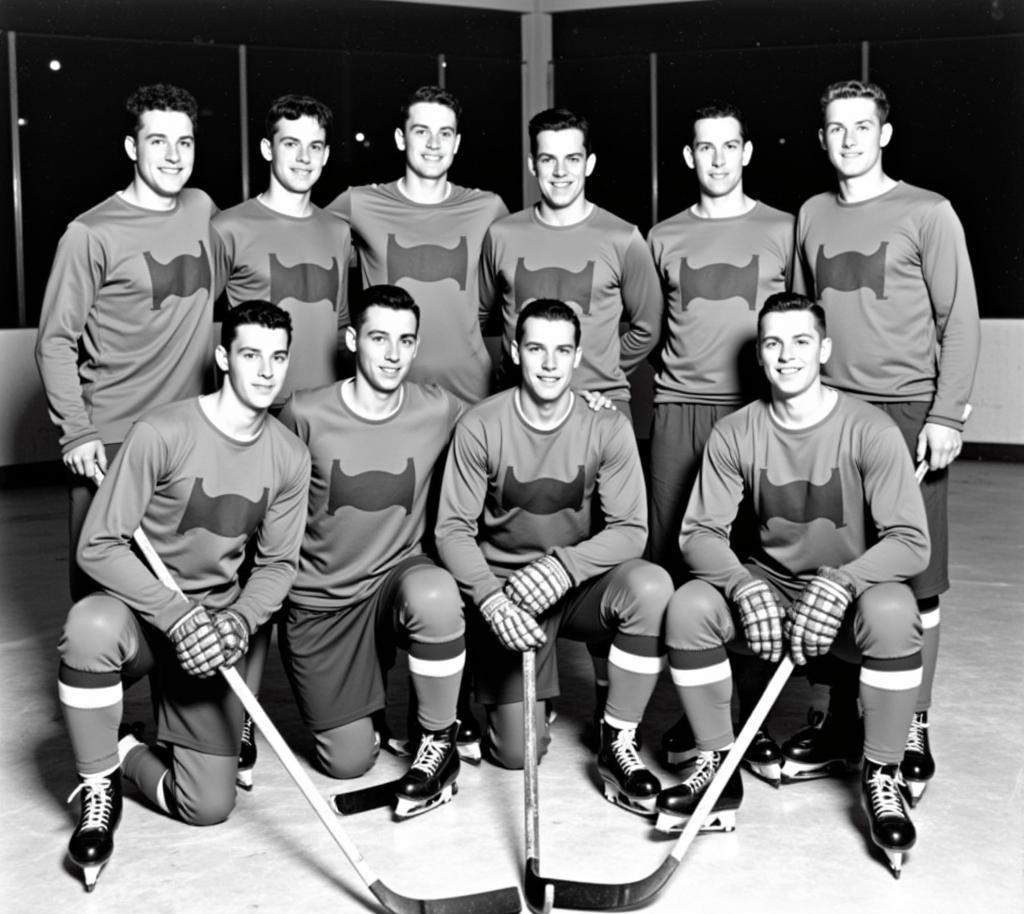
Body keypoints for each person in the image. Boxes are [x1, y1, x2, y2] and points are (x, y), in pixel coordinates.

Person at [659, 292, 929, 877]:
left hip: (850, 597)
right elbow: (699, 533)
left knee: (894, 611)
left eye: (801, 341)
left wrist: (844, 582)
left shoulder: (870, 430)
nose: (787, 355)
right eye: (774, 343)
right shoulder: (735, 433)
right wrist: (741, 584)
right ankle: (718, 764)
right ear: (759, 354)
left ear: (824, 349)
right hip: (772, 590)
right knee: (688, 607)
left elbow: (911, 541)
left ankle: (881, 774)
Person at [57, 301, 311, 892]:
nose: (266, 371)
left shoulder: (289, 455)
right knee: (90, 626)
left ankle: (122, 749)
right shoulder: (161, 433)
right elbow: (96, 545)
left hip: (215, 627)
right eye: (251, 355)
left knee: (207, 805)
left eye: (278, 357)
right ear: (224, 358)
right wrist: (175, 614)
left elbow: (277, 565)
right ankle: (98, 786)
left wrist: (238, 623)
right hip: (146, 615)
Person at [791, 80, 979, 805]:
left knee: (916, 578)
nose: (848, 140)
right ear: (822, 138)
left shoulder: (927, 213)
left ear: (884, 134)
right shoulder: (811, 214)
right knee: (841, 570)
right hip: (831, 416)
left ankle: (913, 724)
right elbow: (804, 316)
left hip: (907, 415)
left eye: (861, 127)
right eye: (835, 128)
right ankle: (843, 720)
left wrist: (948, 417)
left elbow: (959, 318)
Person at [435, 298, 673, 817]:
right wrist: (493, 602)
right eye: (537, 348)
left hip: (577, 585)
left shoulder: (605, 425)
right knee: (517, 756)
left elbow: (631, 529)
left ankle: (616, 737)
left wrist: (564, 566)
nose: (549, 363)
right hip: (508, 593)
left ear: (577, 356)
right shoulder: (481, 424)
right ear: (516, 352)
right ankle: (498, 693)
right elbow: (451, 530)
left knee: (651, 587)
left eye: (562, 351)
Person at [277, 285, 469, 815]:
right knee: (346, 762)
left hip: (394, 582)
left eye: (404, 341)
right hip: (323, 601)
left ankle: (438, 740)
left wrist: (583, 402)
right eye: (378, 338)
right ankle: (369, 712)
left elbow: (509, 422)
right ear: (351, 339)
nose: (391, 354)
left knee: (436, 592)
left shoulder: (440, 408)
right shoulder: (304, 412)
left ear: (416, 346)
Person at [647, 102, 793, 774]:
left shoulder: (781, 230)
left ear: (747, 151)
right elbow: (644, 328)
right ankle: (710, 714)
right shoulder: (663, 236)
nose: (717, 159)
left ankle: (756, 719)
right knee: (687, 561)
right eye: (705, 148)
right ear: (689, 156)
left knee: (755, 560)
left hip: (754, 409)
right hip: (680, 409)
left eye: (729, 146)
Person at [36, 83, 217, 600]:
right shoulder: (89, 233)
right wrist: (76, 433)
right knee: (103, 600)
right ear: (132, 148)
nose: (173, 155)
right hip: (114, 440)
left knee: (182, 593)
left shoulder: (202, 208)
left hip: (190, 435)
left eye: (184, 142)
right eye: (157, 141)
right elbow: (53, 341)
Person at [328, 85, 507, 405]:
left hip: (468, 389)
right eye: (421, 131)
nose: (434, 144)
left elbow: (509, 276)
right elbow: (310, 245)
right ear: (401, 138)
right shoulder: (360, 203)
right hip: (389, 387)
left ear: (457, 143)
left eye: (445, 133)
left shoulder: (487, 207)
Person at [478, 108, 662, 413]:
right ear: (532, 165)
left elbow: (649, 327)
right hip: (518, 402)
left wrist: (601, 372)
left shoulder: (623, 237)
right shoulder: (501, 234)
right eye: (548, 159)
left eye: (572, 159)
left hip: (599, 404)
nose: (560, 172)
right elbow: (477, 318)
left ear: (589, 164)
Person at [213, 94, 351, 405]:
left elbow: (339, 325)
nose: (304, 157)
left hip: (326, 407)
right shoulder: (228, 228)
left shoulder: (338, 230)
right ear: (267, 149)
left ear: (326, 155)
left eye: (314, 147)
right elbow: (193, 326)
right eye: (291, 144)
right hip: (258, 408)